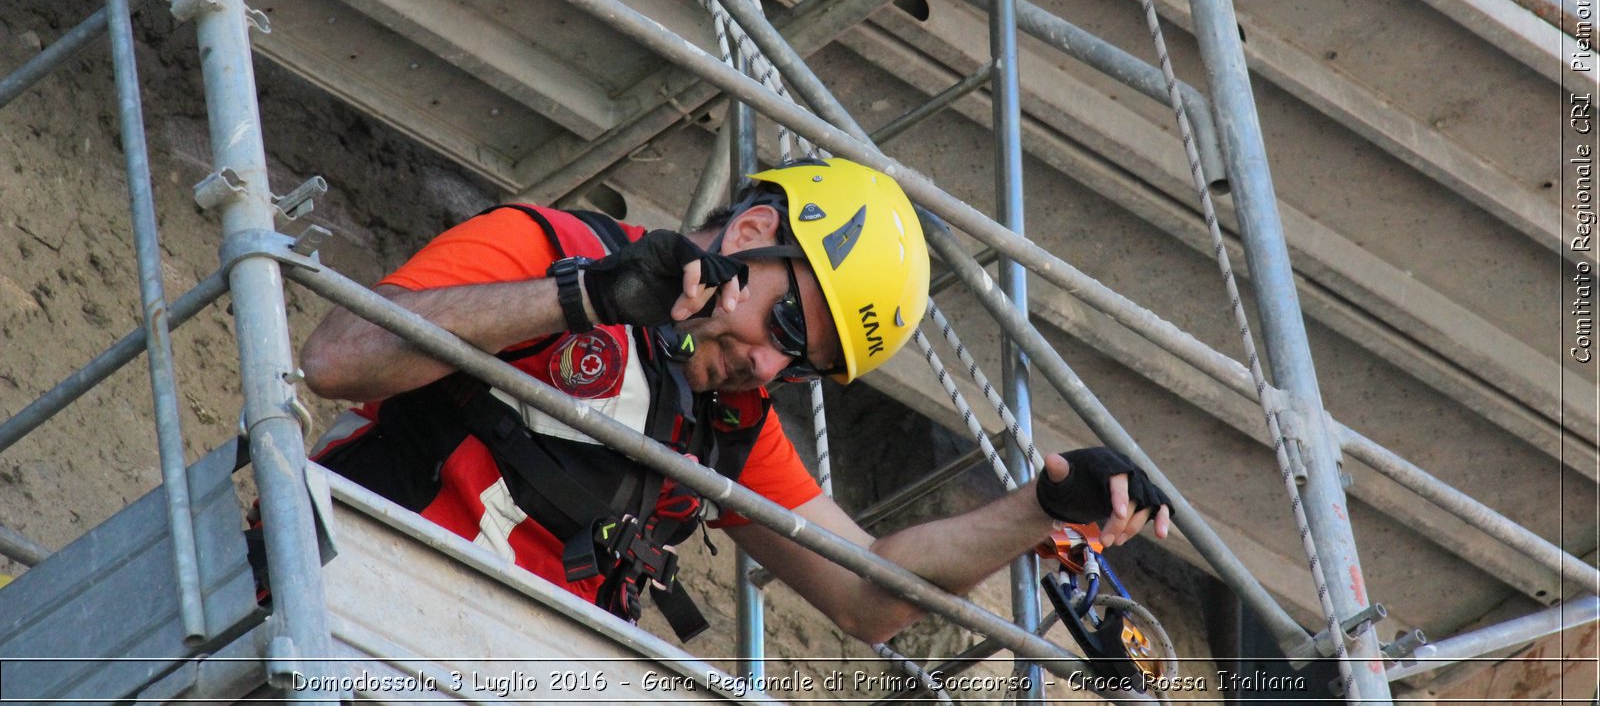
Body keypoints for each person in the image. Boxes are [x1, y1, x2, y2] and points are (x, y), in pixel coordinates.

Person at [300, 156, 1170, 644]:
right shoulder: (549, 244)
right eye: (786, 319)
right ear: (752, 235)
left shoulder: (725, 425)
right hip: (351, 606)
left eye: (803, 362)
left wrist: (1039, 507)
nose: (765, 363)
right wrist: (584, 297)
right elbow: (337, 357)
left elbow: (872, 594)